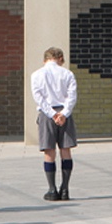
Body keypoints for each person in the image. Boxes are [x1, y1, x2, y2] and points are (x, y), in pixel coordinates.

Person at [30, 47, 78, 201]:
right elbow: (72, 96)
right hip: (65, 114)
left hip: (47, 114)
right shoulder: (68, 74)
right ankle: (65, 188)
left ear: (45, 59)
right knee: (66, 150)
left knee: (49, 151)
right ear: (61, 58)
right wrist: (63, 113)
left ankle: (52, 189)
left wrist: (52, 114)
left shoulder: (36, 75)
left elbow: (38, 97)